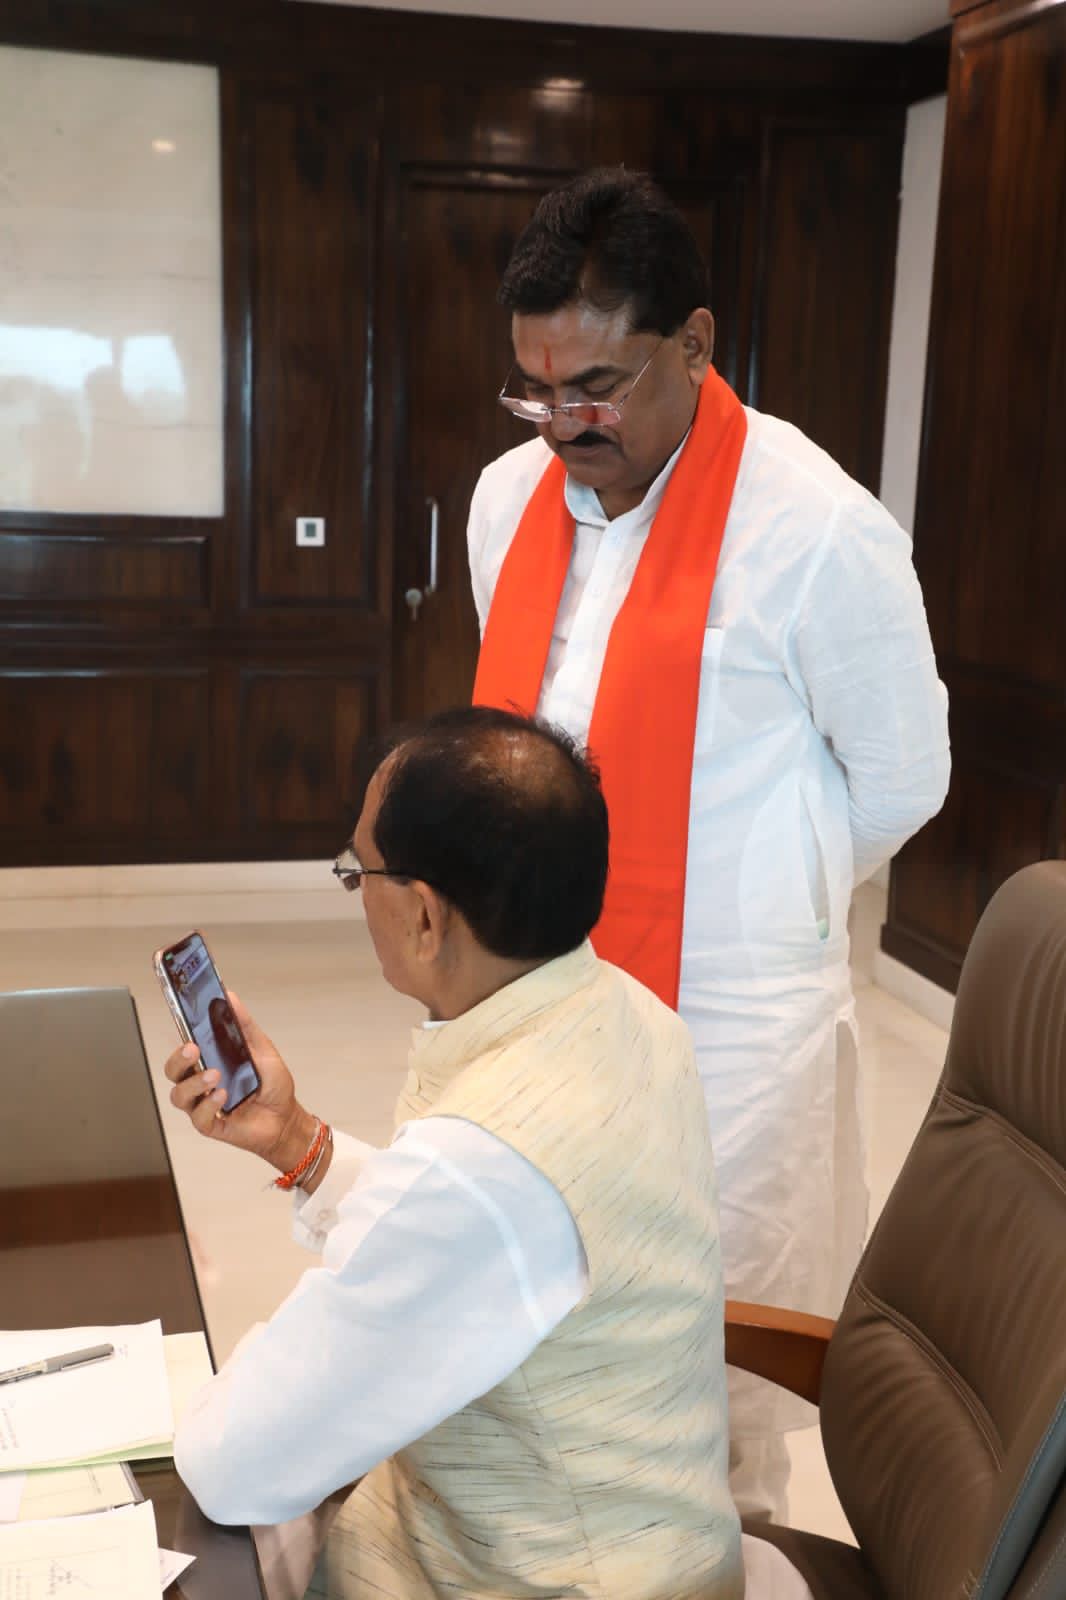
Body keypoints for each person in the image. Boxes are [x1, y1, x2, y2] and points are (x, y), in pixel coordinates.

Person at [468, 168, 951, 1519]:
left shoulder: (817, 531)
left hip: (727, 1032)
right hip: (531, 997)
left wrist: (757, 896)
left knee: (711, 1364)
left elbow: (902, 779)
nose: (564, 424)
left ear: (693, 344)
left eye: (597, 386)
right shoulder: (505, 502)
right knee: (535, 1304)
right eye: (534, 390)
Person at [167, 708, 811, 1600]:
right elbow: (488, 1247)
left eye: (358, 871)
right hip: (650, 1538)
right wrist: (296, 1140)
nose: (356, 893)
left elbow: (233, 1460)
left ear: (426, 916)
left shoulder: (480, 1168)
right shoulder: (631, 1014)